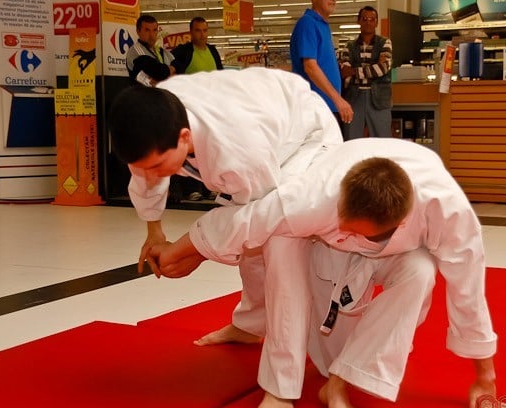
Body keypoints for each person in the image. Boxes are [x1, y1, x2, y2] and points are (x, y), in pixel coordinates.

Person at [147, 138, 503, 408]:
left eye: (355, 231)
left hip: (396, 251)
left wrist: (484, 377)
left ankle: (339, 385)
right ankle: (281, 384)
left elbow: (468, 290)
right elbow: (244, 223)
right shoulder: (314, 195)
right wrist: (180, 252)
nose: (347, 233)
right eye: (344, 224)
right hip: (319, 244)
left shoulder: (448, 213)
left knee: (422, 271)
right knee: (280, 241)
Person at [107, 67, 343, 361]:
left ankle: (322, 333)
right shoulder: (154, 120)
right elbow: (144, 172)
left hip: (306, 137)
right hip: (263, 114)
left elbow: (256, 220)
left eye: (157, 166)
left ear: (183, 137)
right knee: (253, 242)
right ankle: (251, 326)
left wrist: (193, 251)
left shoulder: (235, 148)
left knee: (279, 238)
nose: (149, 175)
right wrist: (154, 230)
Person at [169, 17, 224, 200]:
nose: (202, 34)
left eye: (205, 30)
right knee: (191, 149)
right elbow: (171, 73)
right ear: (191, 32)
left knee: (209, 149)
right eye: (198, 30)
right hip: (189, 109)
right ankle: (193, 188)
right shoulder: (183, 52)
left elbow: (221, 76)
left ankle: (209, 187)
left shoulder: (213, 51)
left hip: (210, 109)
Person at [290, 0, 354, 126]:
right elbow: (310, 67)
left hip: (326, 107)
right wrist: (338, 99)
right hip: (314, 109)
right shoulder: (307, 23)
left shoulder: (323, 26)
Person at [338, 6, 393, 139]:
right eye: (365, 19)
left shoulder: (385, 43)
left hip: (379, 99)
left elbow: (383, 69)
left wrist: (354, 71)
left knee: (383, 141)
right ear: (359, 21)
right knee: (351, 141)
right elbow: (345, 72)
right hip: (353, 99)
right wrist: (373, 68)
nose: (368, 22)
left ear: (376, 22)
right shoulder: (348, 46)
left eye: (372, 19)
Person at [126, 14, 175, 85]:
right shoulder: (136, 53)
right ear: (138, 31)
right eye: (147, 30)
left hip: (164, 95)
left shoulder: (163, 52)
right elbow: (150, 83)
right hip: (144, 95)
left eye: (154, 30)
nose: (151, 35)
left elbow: (177, 72)